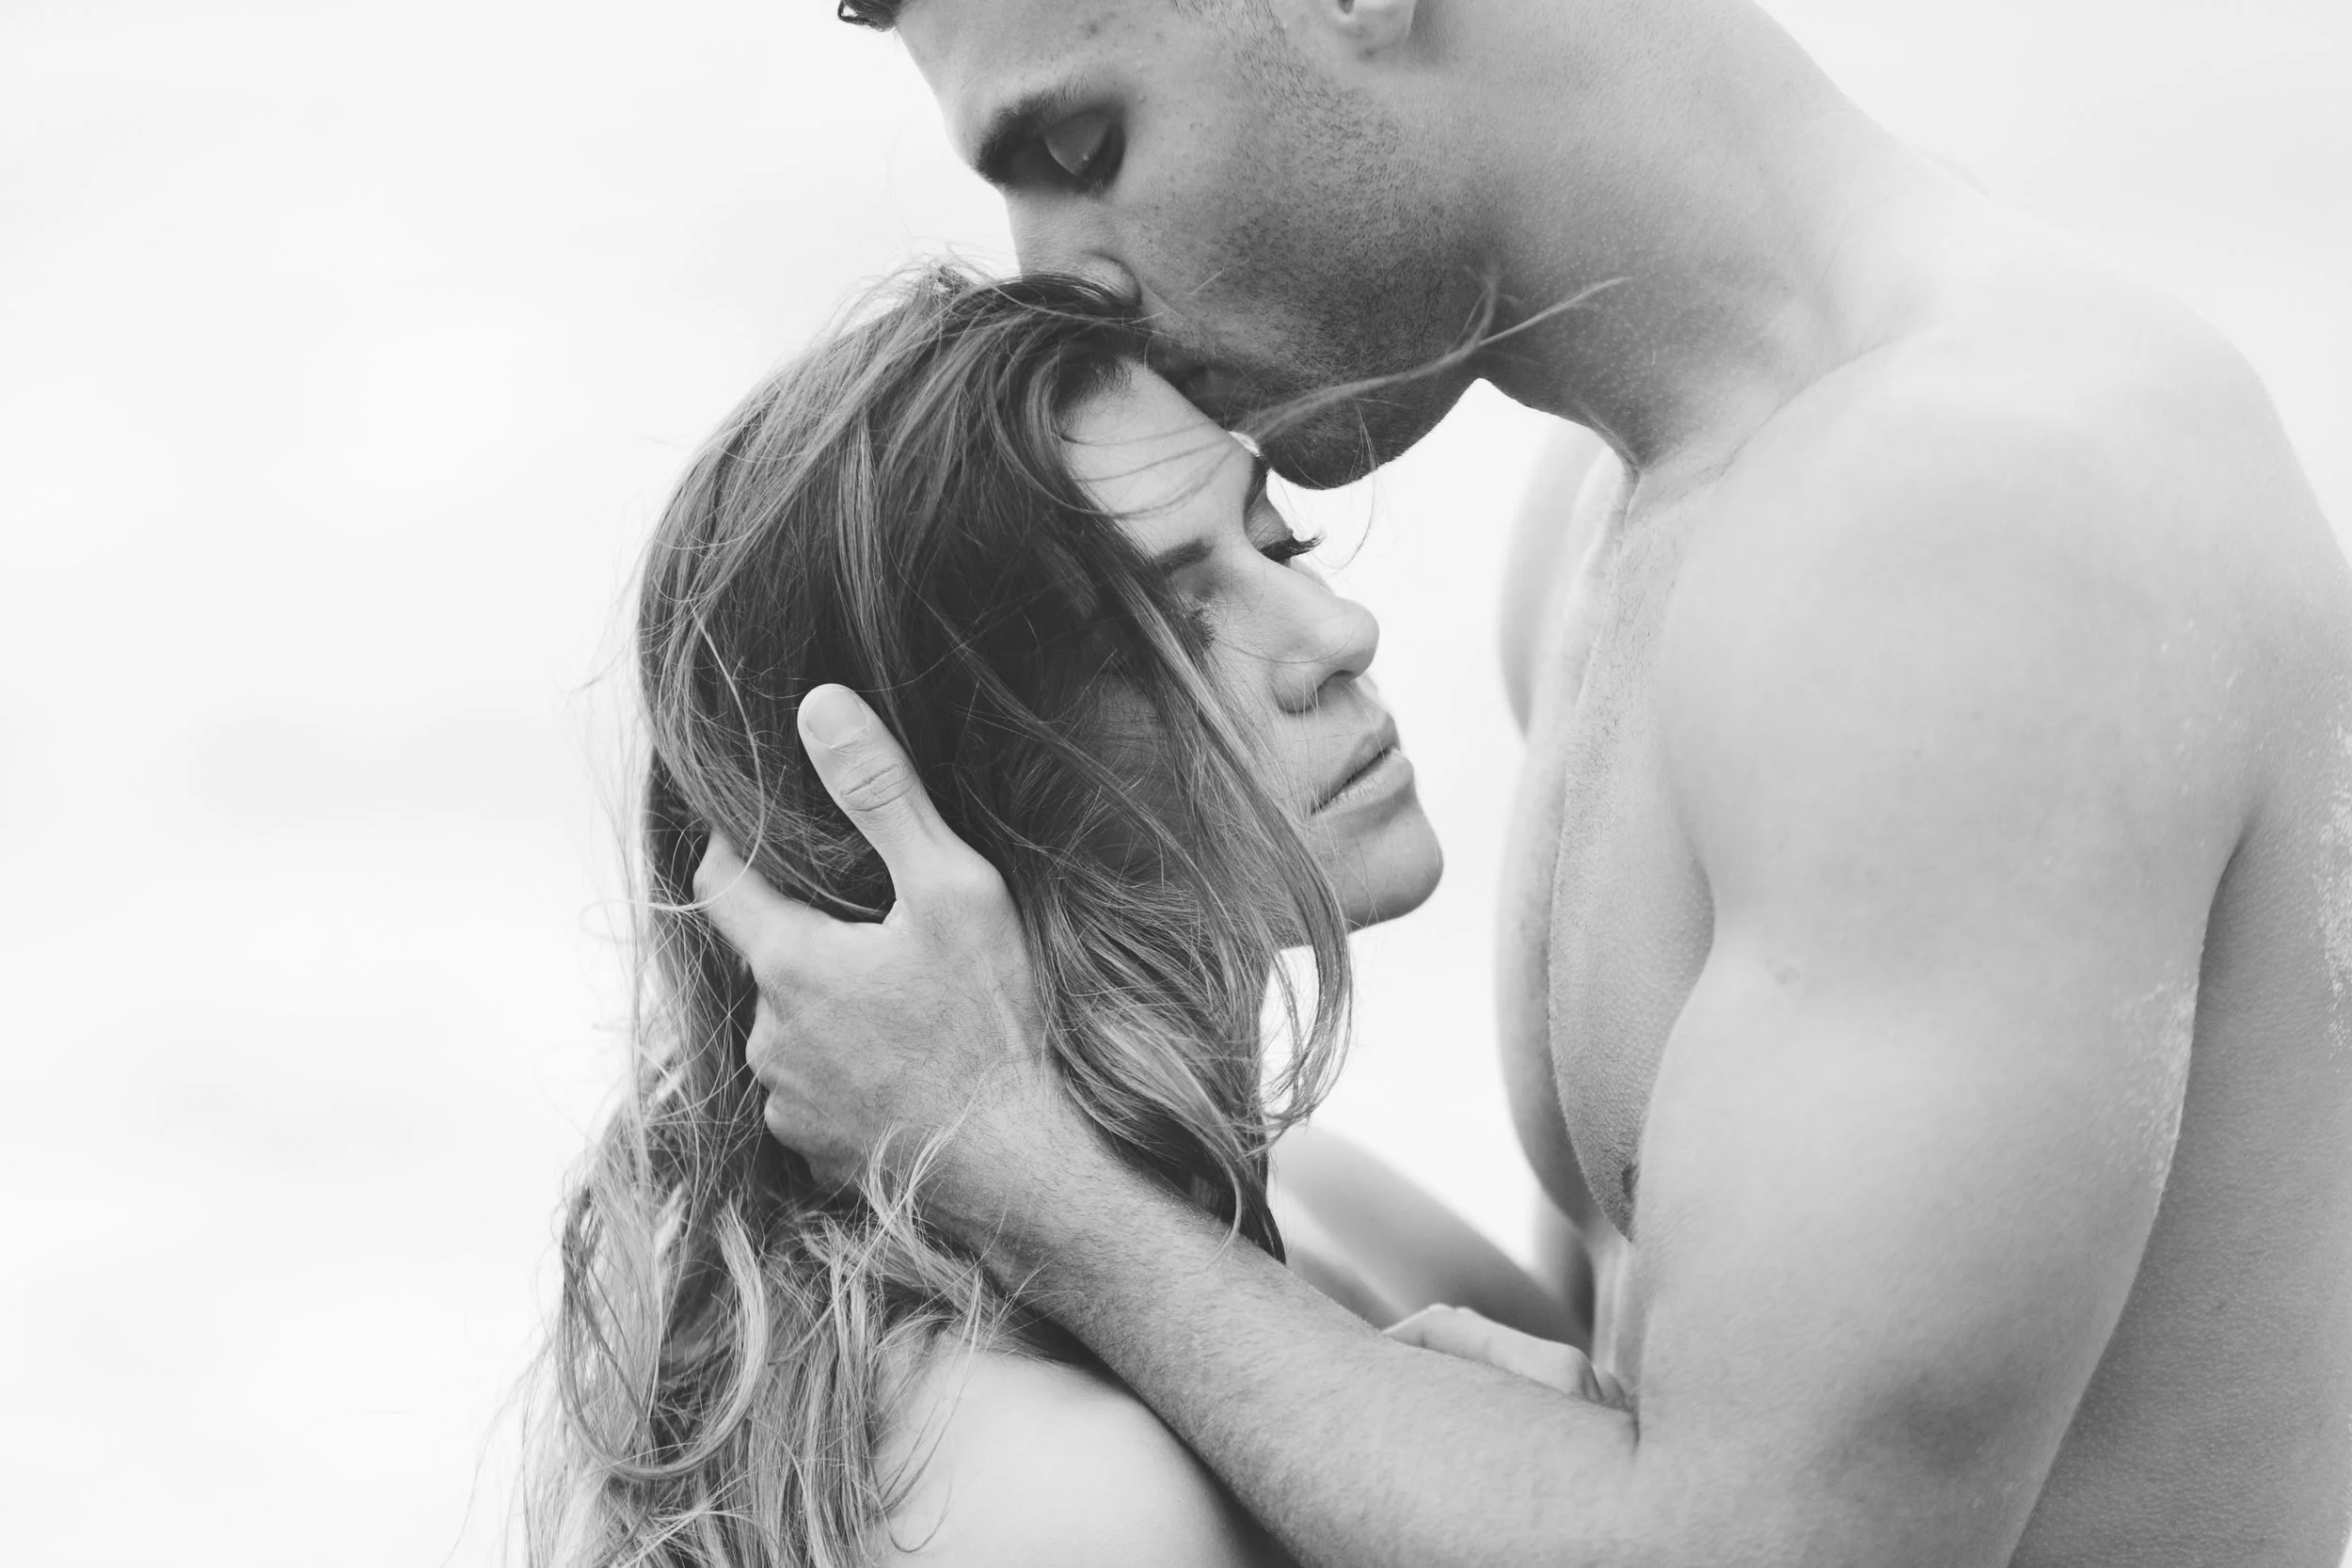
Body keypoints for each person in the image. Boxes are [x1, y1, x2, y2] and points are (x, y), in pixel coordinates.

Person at [696, 0, 2352, 1562]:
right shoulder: (1610, 524)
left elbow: (1764, 1548)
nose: (1063, 281)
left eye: (1081, 151)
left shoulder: (1975, 518)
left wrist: (1014, 1157)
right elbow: (1687, 1398)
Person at [524, 267, 1577, 1567]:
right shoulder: (1059, 1495)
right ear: (939, 813)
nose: (1338, 629)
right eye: (1173, 632)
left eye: (1279, 542)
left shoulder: (1323, 1213)